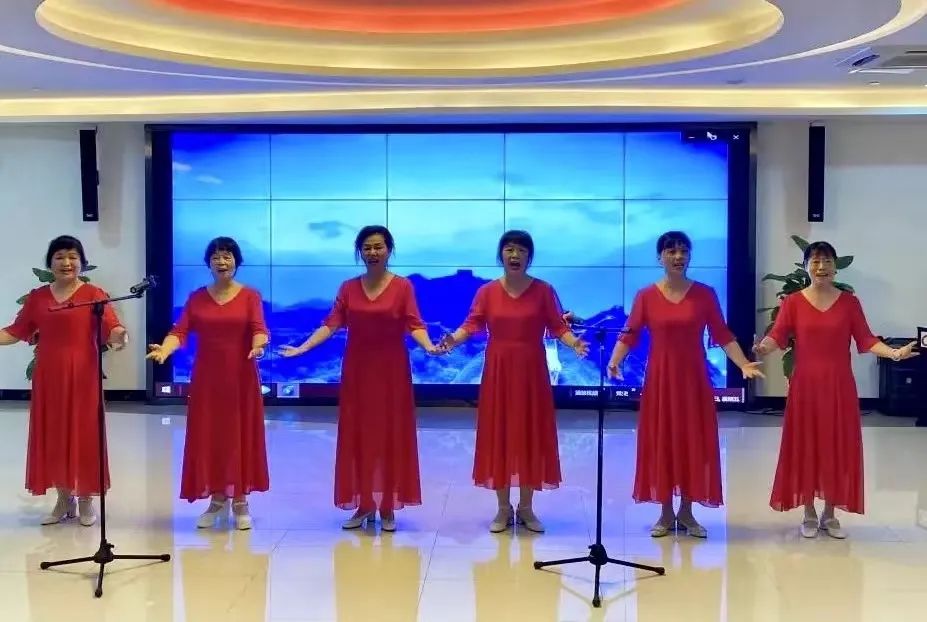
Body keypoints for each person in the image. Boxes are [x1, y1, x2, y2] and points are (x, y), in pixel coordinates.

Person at [754, 240, 917, 539]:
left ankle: (829, 513)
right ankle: (808, 512)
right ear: (806, 266)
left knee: (836, 446)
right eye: (815, 261)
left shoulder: (849, 303)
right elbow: (777, 335)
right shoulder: (793, 302)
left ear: (835, 266)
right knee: (806, 446)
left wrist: (895, 353)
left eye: (827, 261)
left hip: (839, 386)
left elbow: (866, 339)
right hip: (805, 386)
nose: (821, 267)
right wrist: (762, 348)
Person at [280, 225, 439, 532]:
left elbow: (414, 323)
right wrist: (302, 348)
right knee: (360, 436)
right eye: (367, 247)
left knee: (390, 435)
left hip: (392, 371)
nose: (373, 252)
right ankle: (365, 503)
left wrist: (429, 347)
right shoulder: (349, 288)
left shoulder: (403, 287)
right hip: (358, 371)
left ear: (389, 250)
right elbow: (331, 324)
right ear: (359, 252)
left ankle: (388, 505)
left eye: (379, 246)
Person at [608, 231, 763, 538]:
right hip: (660, 380)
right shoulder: (645, 296)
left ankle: (688, 512)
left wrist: (743, 363)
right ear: (660, 257)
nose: (678, 257)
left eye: (683, 251)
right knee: (663, 441)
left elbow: (722, 334)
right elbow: (630, 333)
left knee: (693, 441)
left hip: (694, 380)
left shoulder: (705, 294)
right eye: (671, 251)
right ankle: (666, 513)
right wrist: (615, 361)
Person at [440, 230, 589, 533]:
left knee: (530, 434)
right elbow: (472, 324)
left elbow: (557, 326)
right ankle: (503, 508)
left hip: (532, 371)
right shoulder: (487, 292)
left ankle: (526, 508)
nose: (515, 255)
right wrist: (452, 340)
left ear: (529, 257)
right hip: (499, 371)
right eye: (509, 249)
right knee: (500, 435)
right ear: (501, 255)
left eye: (521, 250)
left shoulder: (543, 290)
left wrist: (574, 343)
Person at [0, 235, 128, 526]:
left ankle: (85, 500)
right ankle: (63, 498)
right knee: (54, 435)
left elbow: (112, 328)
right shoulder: (38, 298)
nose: (66, 262)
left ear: (82, 262)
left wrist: (121, 336)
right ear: (50, 263)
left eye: (72, 256)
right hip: (49, 377)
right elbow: (15, 331)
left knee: (85, 435)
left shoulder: (94, 294)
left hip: (84, 377)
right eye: (59, 257)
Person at [147, 237, 269, 530]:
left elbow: (259, 328)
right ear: (208, 263)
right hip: (207, 379)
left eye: (227, 256)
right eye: (215, 257)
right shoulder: (197, 297)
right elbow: (180, 331)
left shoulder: (250, 296)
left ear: (236, 262)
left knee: (239, 435)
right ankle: (216, 498)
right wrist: (165, 349)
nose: (221, 262)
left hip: (240, 377)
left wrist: (258, 346)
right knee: (211, 436)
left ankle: (240, 500)